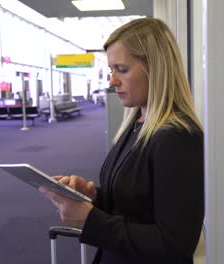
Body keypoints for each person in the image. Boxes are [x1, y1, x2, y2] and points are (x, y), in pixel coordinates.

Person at [39, 17, 204, 264]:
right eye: (111, 70)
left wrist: (90, 220)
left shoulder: (177, 137)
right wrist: (93, 196)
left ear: (155, 69)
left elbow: (175, 245)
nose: (112, 81)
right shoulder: (137, 123)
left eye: (122, 69)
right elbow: (136, 205)